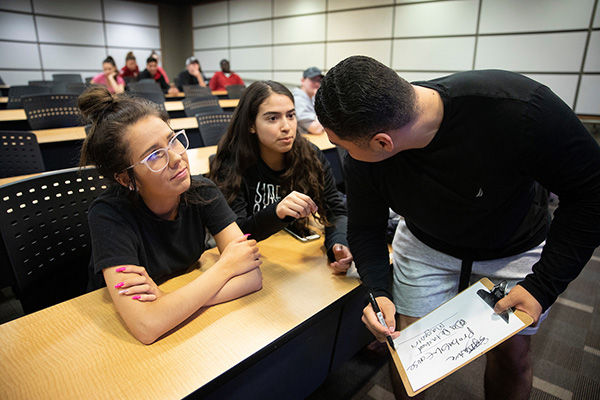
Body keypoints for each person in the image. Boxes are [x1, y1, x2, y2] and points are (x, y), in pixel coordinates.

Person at [314, 55, 600, 399]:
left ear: (382, 143)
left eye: (341, 146)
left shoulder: (519, 109)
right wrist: (378, 291)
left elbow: (591, 194)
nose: (339, 152)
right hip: (425, 242)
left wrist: (543, 287)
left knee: (512, 354)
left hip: (513, 244)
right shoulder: (367, 152)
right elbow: (365, 227)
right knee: (410, 349)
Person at [78, 86, 263, 345]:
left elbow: (252, 276)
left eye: (173, 139)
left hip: (183, 327)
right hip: (112, 336)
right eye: (154, 155)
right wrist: (225, 267)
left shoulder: (203, 190)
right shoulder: (108, 215)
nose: (177, 158)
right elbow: (146, 326)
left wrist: (166, 301)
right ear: (125, 179)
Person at [207, 80, 353, 274]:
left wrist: (338, 243)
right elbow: (235, 234)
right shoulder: (231, 163)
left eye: (291, 116)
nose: (286, 127)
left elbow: (335, 210)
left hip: (292, 259)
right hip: (253, 264)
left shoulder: (310, 156)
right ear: (251, 125)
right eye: (273, 118)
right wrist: (276, 213)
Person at [292, 67, 325, 135]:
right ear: (302, 81)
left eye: (319, 81)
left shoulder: (311, 98)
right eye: (313, 80)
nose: (317, 84)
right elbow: (316, 129)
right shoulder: (298, 100)